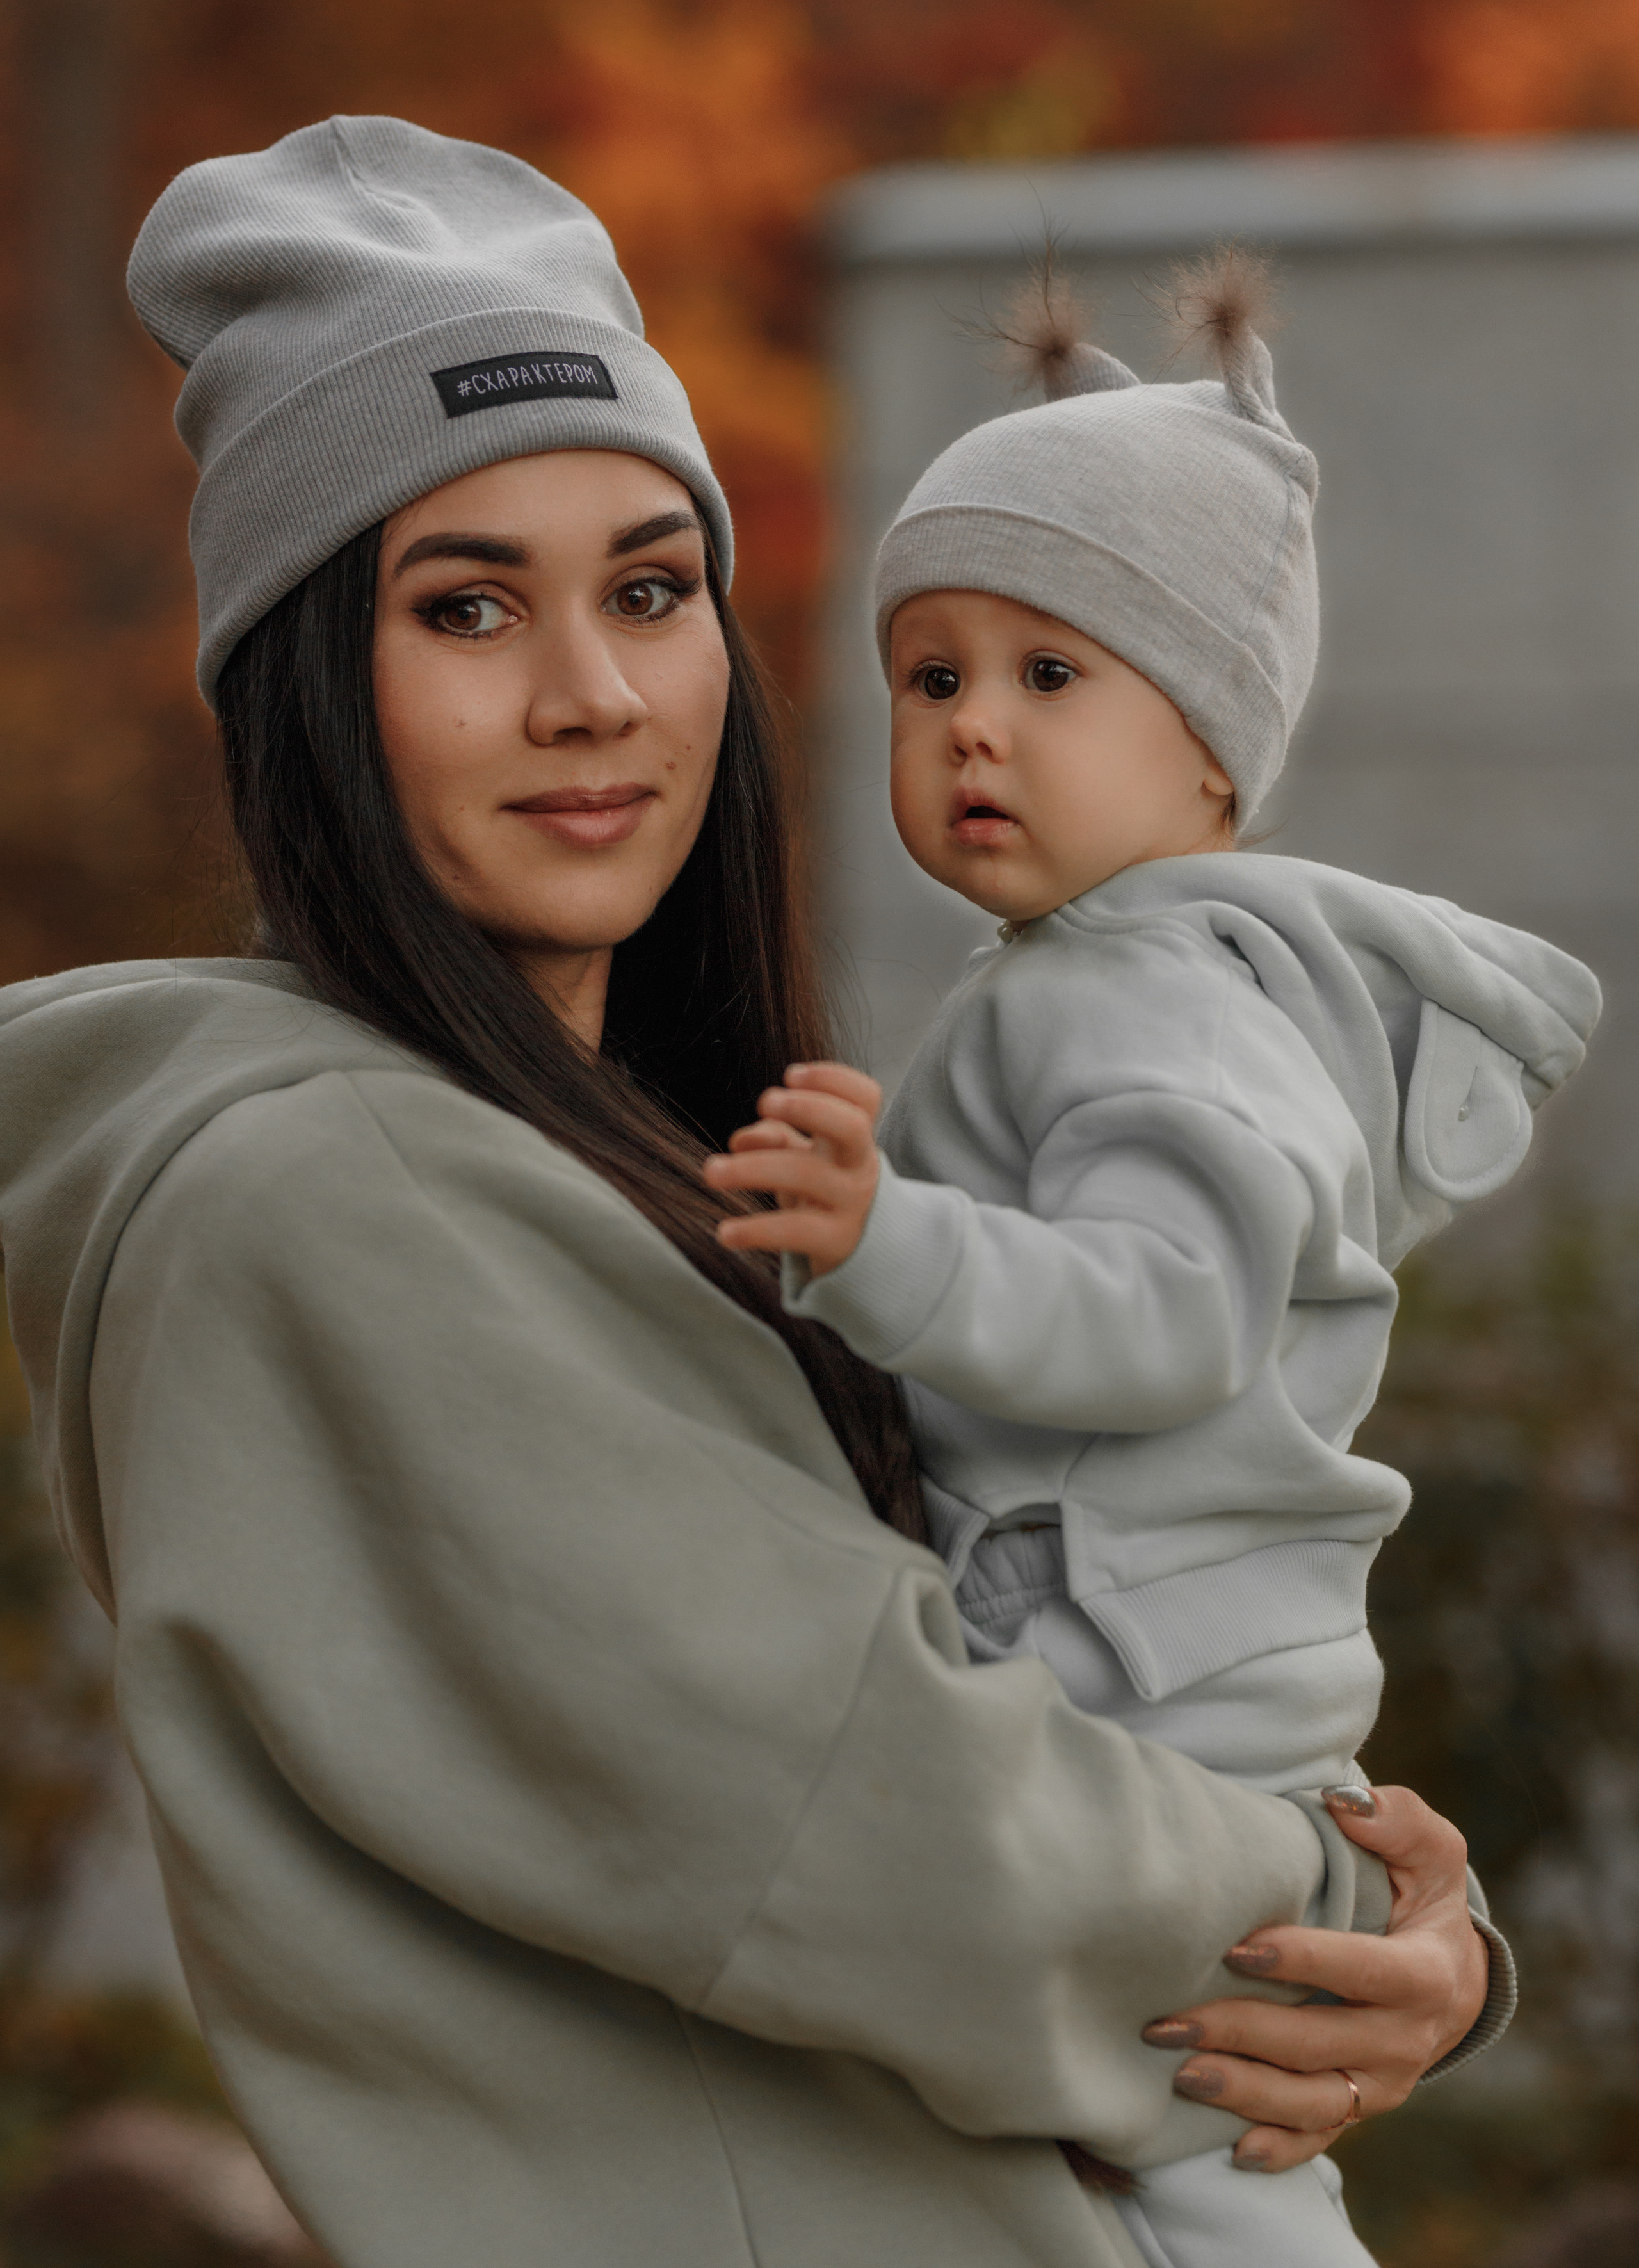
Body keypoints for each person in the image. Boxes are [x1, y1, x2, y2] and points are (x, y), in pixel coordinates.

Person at [0, 122, 1502, 2268]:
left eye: (648, 586)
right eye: (466, 607)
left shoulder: (620, 1157)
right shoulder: (333, 1191)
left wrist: (1403, 1924)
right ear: (310, 684)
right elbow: (893, 1822)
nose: (591, 692)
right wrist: (1375, 1932)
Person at [705, 259, 1599, 2267]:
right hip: (1189, 1648)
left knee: (1199, 2136)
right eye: (929, 680)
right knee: (1191, 2136)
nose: (970, 736)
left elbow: (1174, 1316)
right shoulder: (1117, 982)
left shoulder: (1137, 1000)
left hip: (1143, 1665)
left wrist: (882, 1244)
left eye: (1050, 675)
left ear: (1211, 751)